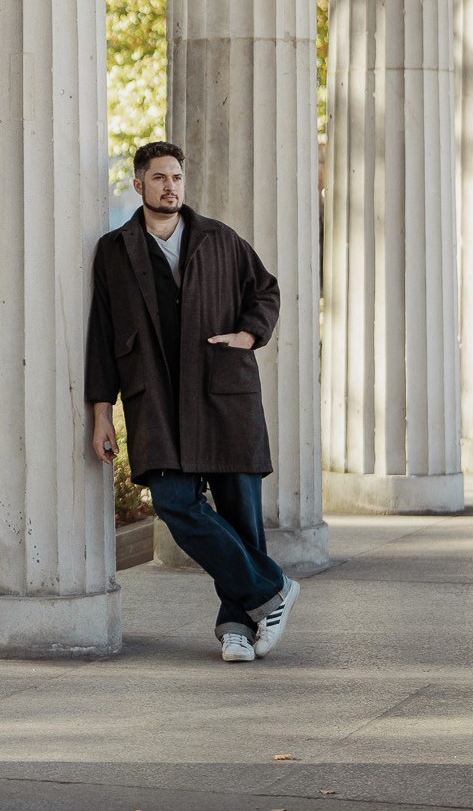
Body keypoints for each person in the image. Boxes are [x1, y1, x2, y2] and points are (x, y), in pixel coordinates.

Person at [86, 141, 301, 663]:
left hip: (222, 393)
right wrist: (101, 414)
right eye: (159, 178)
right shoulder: (115, 251)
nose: (171, 187)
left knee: (240, 514)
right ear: (139, 185)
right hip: (155, 400)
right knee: (175, 504)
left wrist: (249, 336)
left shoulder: (219, 239)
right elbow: (102, 334)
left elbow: (266, 291)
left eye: (177, 177)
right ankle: (270, 588)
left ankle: (237, 626)